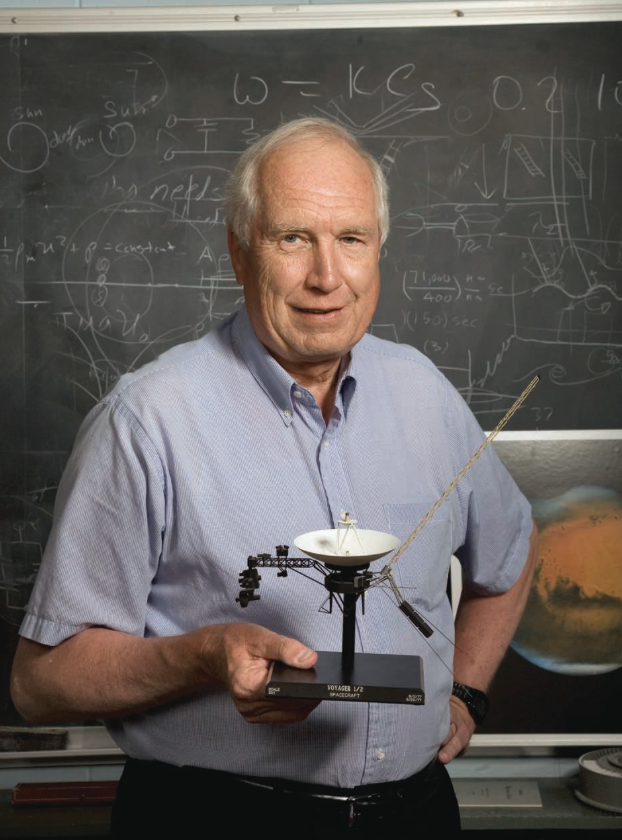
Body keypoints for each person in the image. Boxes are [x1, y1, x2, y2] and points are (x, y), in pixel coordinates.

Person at [11, 118, 537, 835]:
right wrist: (206, 655)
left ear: (378, 250)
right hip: (214, 816)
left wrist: (467, 693)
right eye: (293, 238)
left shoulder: (425, 394)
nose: (326, 276)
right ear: (238, 250)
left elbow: (511, 553)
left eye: (350, 239)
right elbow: (39, 685)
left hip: (416, 814)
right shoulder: (148, 420)